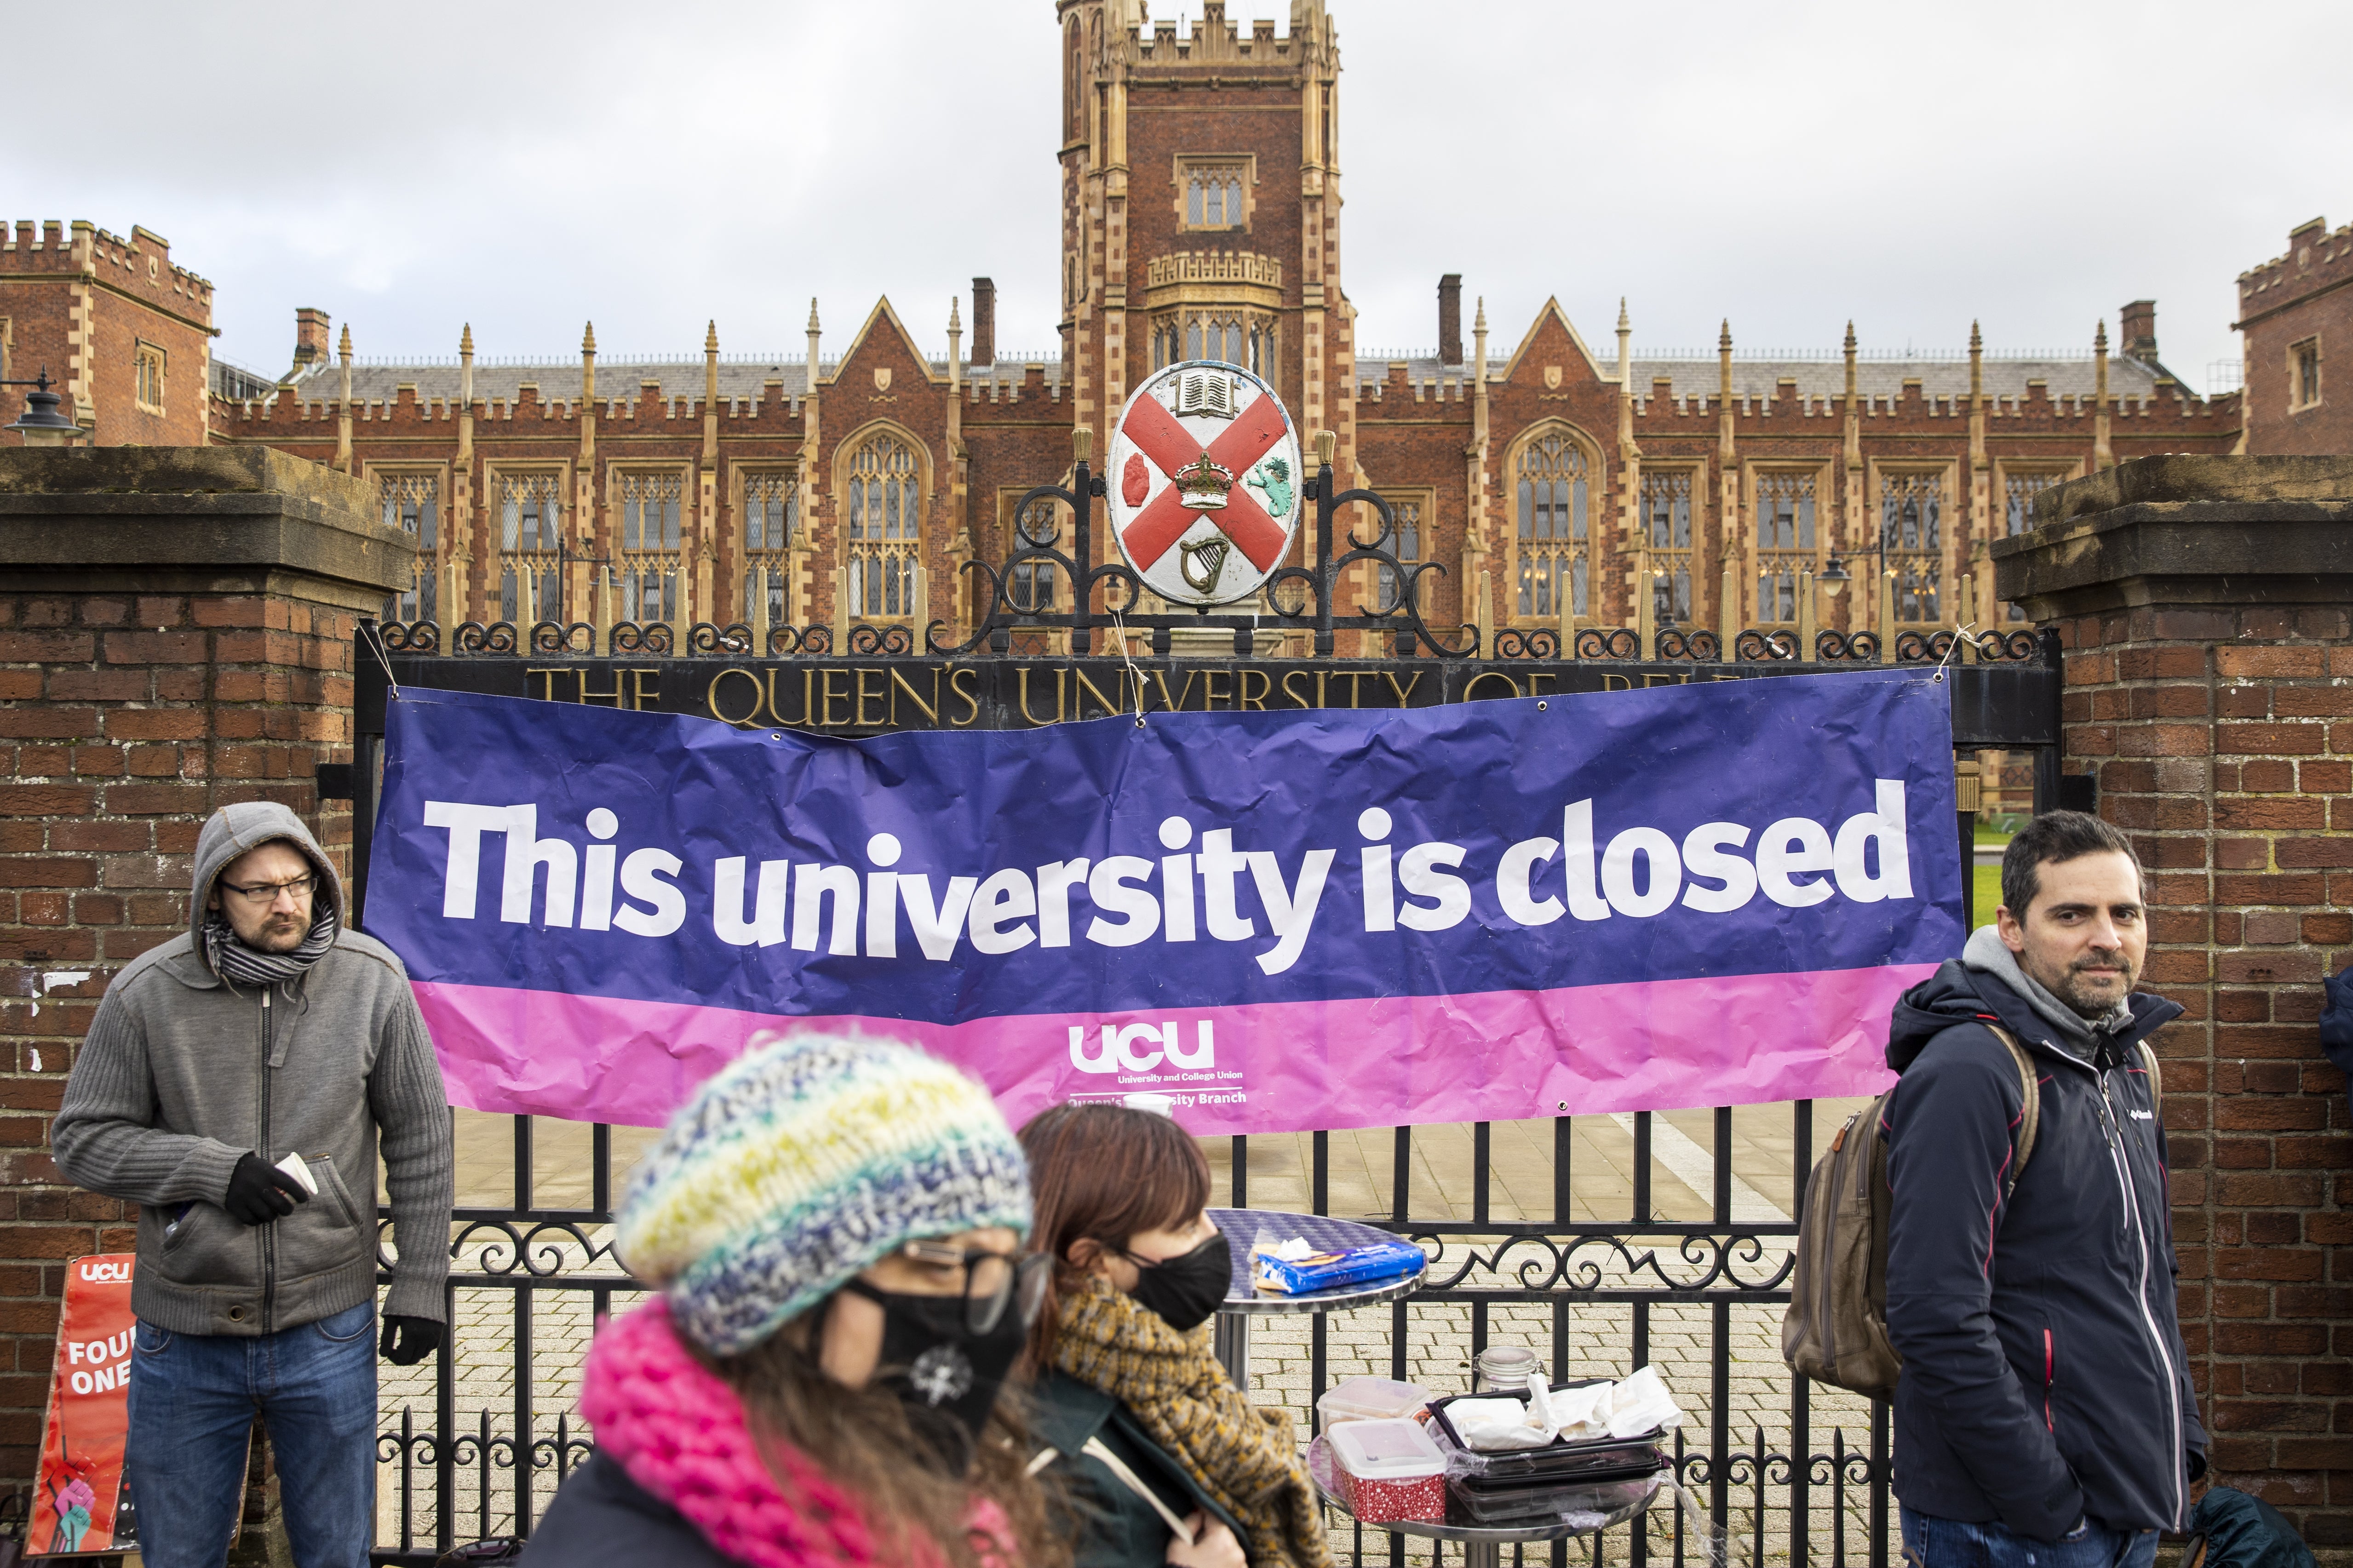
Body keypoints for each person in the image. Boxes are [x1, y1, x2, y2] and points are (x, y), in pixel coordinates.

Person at [51, 801, 454, 1568]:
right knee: (181, 1555)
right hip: (186, 1334)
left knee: (336, 1554)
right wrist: (210, 1170)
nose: (287, 904)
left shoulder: (374, 984)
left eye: (301, 883)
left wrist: (421, 1286)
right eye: (260, 889)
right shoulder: (146, 996)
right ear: (214, 895)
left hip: (327, 1325)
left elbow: (420, 1136)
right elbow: (83, 1141)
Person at [523, 1030, 1068, 1568]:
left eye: (1005, 1268)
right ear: (774, 1291)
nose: (989, 1314)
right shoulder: (632, 1549)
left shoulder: (904, 1475)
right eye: (938, 1265)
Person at [1882, 810, 2203, 1568]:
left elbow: (2150, 1279)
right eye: (2072, 915)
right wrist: (2042, 1499)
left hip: (2122, 1497)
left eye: (2125, 913)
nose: (2107, 937)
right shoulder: (1972, 1071)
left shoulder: (2125, 1062)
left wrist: (2181, 1440)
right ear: (2013, 929)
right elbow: (1933, 1313)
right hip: (2013, 1524)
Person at [1020, 1102, 1326, 1568]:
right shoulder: (1059, 1463)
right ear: (1094, 1260)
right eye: (1184, 1225)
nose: (1212, 1233)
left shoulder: (1158, 1370)